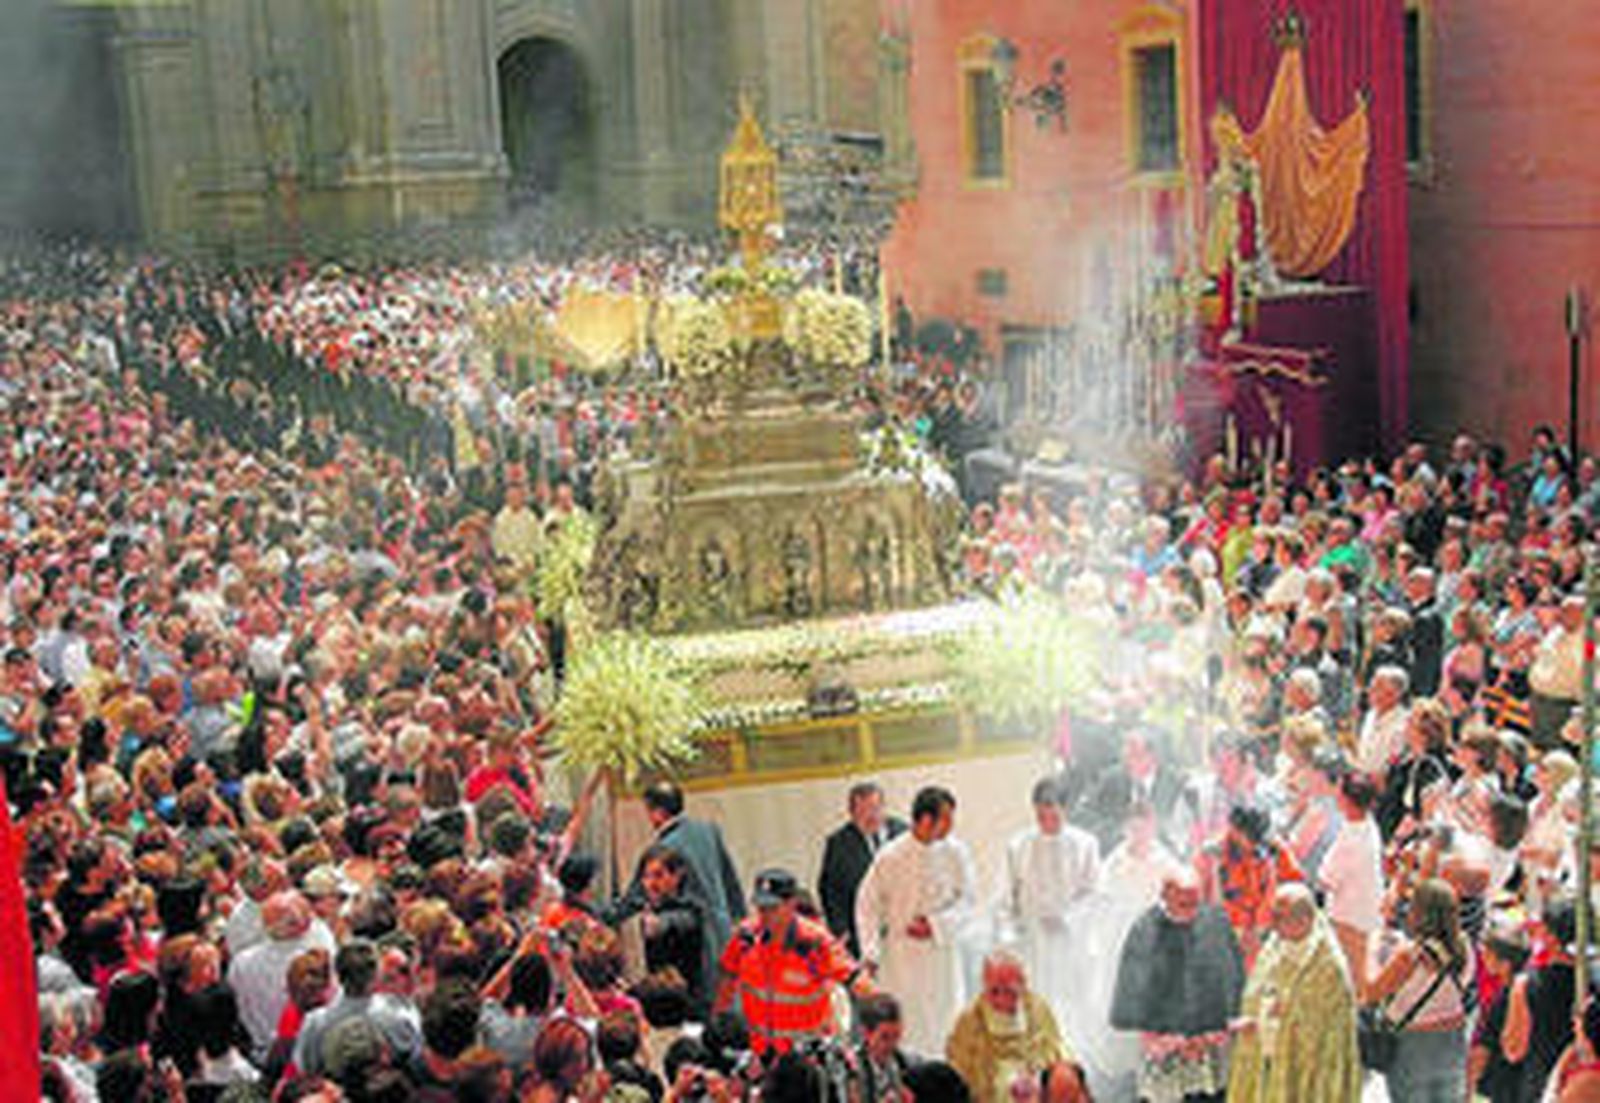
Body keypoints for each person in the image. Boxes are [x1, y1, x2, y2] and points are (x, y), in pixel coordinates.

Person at [857, 785, 978, 1055]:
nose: (951, 825)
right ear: (926, 820)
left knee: (948, 1021)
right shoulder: (890, 856)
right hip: (903, 960)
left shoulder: (956, 853)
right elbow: (866, 905)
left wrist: (935, 925)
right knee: (911, 1027)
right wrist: (870, 953)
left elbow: (969, 901)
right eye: (946, 818)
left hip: (942, 957)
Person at [1110, 870, 1245, 1103]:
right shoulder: (1145, 930)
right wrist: (1174, 1041)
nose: (1192, 911)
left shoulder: (1215, 922)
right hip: (1166, 1044)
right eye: (1184, 904)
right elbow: (1135, 993)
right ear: (1165, 896)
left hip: (1208, 1043)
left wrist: (1209, 1033)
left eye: (1196, 902)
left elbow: (1229, 976)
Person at [1223, 884, 1360, 1103]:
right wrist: (1256, 1017)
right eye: (1273, 915)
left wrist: (1284, 1011)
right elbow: (1258, 991)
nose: (1273, 924)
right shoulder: (1275, 944)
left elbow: (1328, 1026)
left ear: (1305, 920)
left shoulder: (1327, 964)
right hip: (1266, 1060)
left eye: (1280, 918)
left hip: (1308, 1071)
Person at [714, 867, 863, 1054]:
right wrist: (719, 1024)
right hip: (761, 1055)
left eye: (773, 909)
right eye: (761, 908)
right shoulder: (746, 937)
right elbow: (727, 976)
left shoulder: (814, 943)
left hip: (806, 1057)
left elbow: (858, 982)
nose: (766, 915)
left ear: (791, 905)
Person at [994, 777, 1100, 1017]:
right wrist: (1010, 941)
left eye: (1054, 817)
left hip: (1073, 945)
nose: (1047, 824)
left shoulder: (1085, 845)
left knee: (1073, 1015)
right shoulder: (1018, 845)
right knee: (1034, 1011)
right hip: (1032, 945)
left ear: (1066, 810)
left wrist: (1066, 919)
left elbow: (1093, 896)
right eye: (1041, 817)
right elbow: (1004, 900)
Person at [1365, 878, 1475, 1103]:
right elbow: (1464, 982)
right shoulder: (1464, 946)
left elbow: (1372, 992)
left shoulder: (1409, 956)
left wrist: (1374, 947)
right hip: (1454, 1040)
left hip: (1413, 1044)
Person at [628, 780, 744, 961]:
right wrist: (740, 920)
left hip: (691, 942)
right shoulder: (709, 831)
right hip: (723, 932)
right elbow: (730, 880)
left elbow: (635, 897)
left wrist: (601, 918)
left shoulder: (664, 848)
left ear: (658, 813)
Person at [945, 950, 1076, 1103]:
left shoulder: (1038, 1009)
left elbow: (1055, 1049)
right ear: (984, 985)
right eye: (994, 991)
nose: (1002, 1000)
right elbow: (957, 1074)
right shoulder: (969, 1020)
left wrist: (1037, 1080)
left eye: (1009, 990)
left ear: (1023, 984)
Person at [818, 781, 907, 958]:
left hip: (902, 925)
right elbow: (829, 890)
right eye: (863, 810)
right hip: (861, 929)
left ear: (884, 807)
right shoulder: (838, 844)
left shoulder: (904, 833)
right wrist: (840, 929)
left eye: (875, 808)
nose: (871, 816)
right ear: (851, 813)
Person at [855, 992, 916, 1103]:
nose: (892, 1044)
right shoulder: (852, 1071)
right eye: (884, 1037)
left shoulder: (901, 1063)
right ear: (866, 1033)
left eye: (896, 1036)